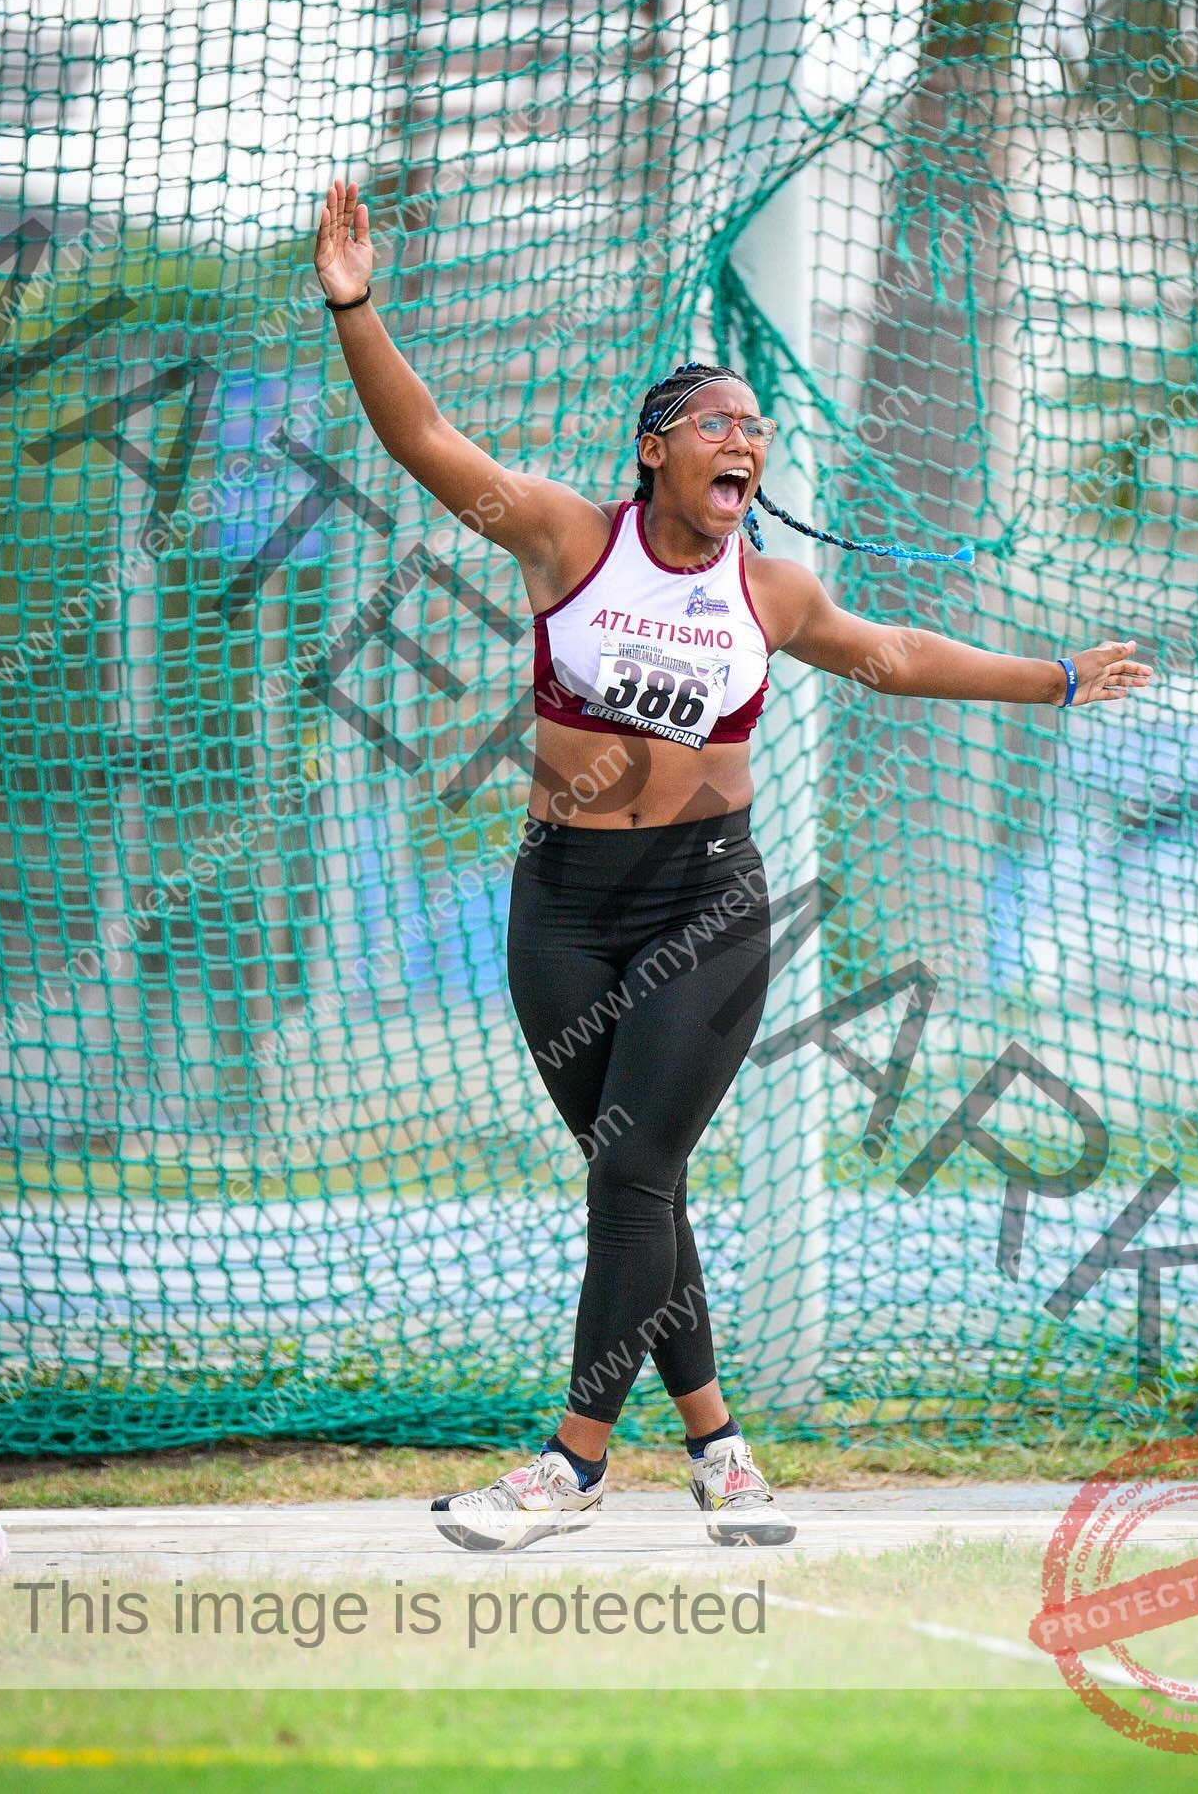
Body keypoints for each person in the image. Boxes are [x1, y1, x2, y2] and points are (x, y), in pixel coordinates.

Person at [313, 179, 1154, 1551]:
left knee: (635, 1173)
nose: (746, 443)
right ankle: (722, 1448)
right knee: (630, 1179)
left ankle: (571, 1468)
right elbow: (424, 443)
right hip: (562, 912)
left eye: (756, 431)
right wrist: (355, 307)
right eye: (722, 424)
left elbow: (896, 658)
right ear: (657, 451)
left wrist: (1055, 676)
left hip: (709, 903)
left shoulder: (771, 591)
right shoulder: (565, 538)